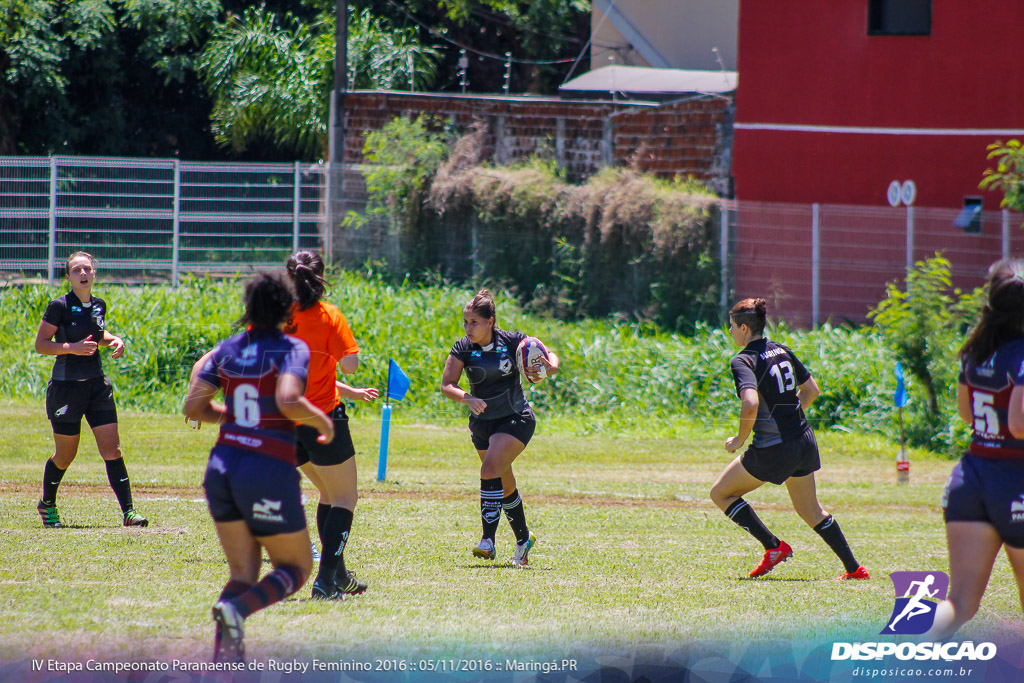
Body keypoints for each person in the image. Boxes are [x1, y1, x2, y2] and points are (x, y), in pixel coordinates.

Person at [184, 273, 333, 663]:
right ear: (288, 310)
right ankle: (238, 611)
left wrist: (233, 418)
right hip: (265, 469)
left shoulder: (229, 348)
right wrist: (322, 421)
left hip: (222, 468)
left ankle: (225, 663)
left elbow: (193, 407)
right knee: (297, 567)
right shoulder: (291, 347)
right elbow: (288, 399)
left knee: (241, 575)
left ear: (249, 310)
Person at [709, 297, 868, 580]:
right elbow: (811, 391)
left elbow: (750, 403)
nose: (730, 332)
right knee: (810, 510)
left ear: (744, 329)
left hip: (775, 448)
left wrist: (739, 440)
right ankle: (854, 569)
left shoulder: (743, 359)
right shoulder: (781, 350)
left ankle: (773, 547)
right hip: (803, 440)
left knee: (721, 493)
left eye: (731, 327)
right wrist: (788, 417)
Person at [923, 260, 1024, 639]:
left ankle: (902, 660)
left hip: (971, 476)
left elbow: (967, 414)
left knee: (961, 603)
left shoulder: (976, 351)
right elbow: (1018, 423)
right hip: (1015, 480)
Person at [283, 249, 377, 599]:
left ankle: (337, 574)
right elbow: (350, 366)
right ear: (320, 277)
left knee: (327, 493)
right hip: (322, 418)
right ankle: (325, 580)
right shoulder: (328, 316)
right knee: (345, 497)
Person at [441, 289, 559, 566]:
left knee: (490, 469)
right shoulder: (463, 348)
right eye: (466, 322)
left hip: (516, 417)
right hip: (482, 423)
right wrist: (467, 398)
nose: (469, 328)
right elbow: (447, 385)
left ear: (490, 321)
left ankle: (488, 540)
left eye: (474, 322)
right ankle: (523, 539)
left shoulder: (513, 341)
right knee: (503, 481)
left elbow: (549, 354)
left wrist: (549, 368)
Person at [33, 251, 148, 528]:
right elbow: (41, 344)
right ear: (68, 277)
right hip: (66, 389)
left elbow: (97, 334)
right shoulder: (59, 306)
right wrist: (71, 348)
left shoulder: (99, 305)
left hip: (97, 386)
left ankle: (129, 513)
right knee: (65, 455)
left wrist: (114, 340)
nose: (83, 274)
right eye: (76, 270)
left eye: (87, 269)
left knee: (113, 449)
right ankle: (47, 504)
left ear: (94, 273)